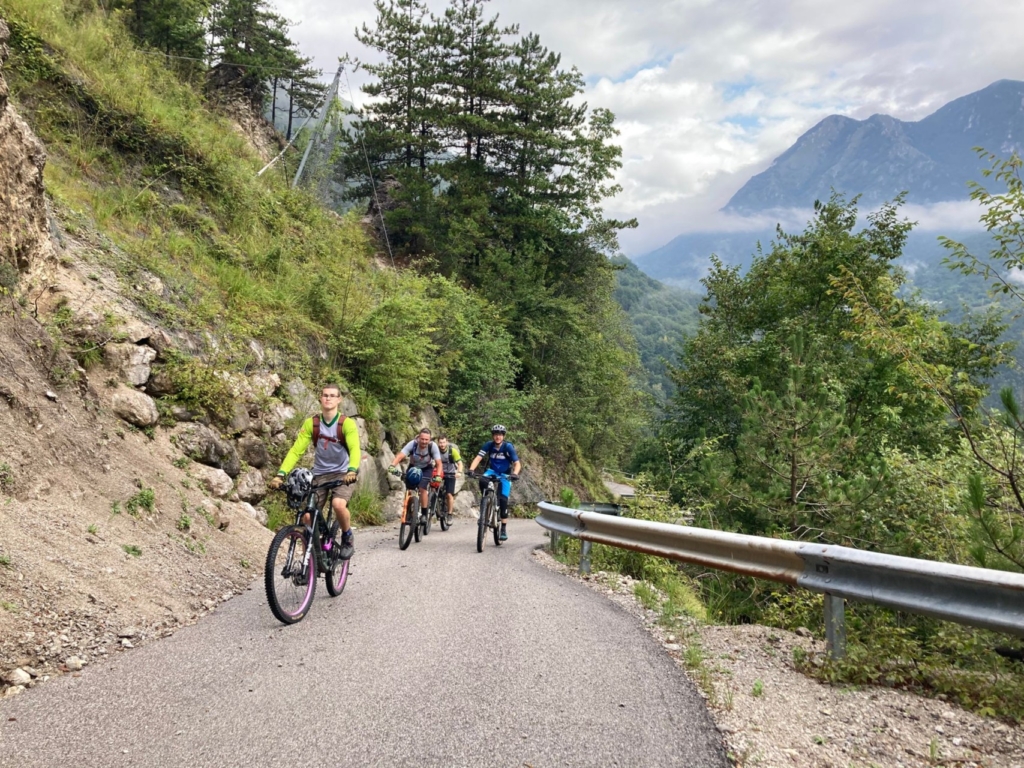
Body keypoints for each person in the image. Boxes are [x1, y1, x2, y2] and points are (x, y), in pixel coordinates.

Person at [269, 383, 359, 559]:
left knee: (338, 504)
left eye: (332, 395)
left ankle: (347, 536)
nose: (328, 398)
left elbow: (355, 449)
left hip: (343, 473)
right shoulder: (313, 423)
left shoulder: (346, 424)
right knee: (308, 516)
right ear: (320, 398)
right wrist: (281, 474)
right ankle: (311, 559)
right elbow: (296, 450)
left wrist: (352, 470)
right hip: (319, 474)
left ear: (339, 399)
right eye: (325, 395)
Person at [467, 424, 521, 541]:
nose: (498, 437)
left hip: (505, 474)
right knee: (482, 480)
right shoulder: (488, 445)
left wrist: (515, 473)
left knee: (503, 500)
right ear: (493, 436)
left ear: (503, 436)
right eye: (496, 435)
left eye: (500, 435)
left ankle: (503, 529)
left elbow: (517, 463)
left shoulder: (508, 447)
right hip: (492, 471)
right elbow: (478, 458)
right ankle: (485, 504)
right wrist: (471, 469)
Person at [388, 428, 443, 516]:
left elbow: (439, 463)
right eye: (422, 439)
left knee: (422, 488)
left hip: (426, 469)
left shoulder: (432, 446)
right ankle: (409, 508)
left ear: (429, 439)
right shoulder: (413, 444)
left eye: (426, 440)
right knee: (409, 489)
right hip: (413, 467)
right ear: (419, 438)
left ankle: (424, 514)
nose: (424, 441)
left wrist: (438, 475)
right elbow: (400, 456)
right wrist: (392, 466)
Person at [436, 434, 463, 521]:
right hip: (439, 473)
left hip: (450, 474)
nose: (442, 444)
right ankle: (434, 505)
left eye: (444, 442)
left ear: (447, 442)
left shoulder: (452, 451)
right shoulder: (435, 451)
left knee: (449, 494)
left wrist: (459, 472)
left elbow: (460, 463)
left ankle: (450, 514)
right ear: (438, 443)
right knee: (433, 490)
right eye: (440, 443)